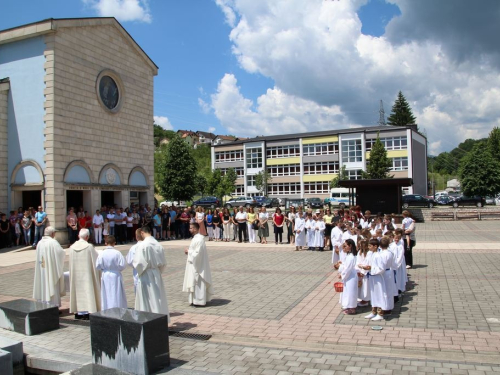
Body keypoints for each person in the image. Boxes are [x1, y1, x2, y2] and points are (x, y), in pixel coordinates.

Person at [133, 226, 170, 320]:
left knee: (147, 298)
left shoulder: (143, 245)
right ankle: (159, 319)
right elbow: (163, 263)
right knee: (158, 297)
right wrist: (157, 271)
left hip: (146, 273)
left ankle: (146, 319)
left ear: (142, 233)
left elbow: (139, 263)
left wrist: (139, 272)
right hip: (156, 273)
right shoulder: (158, 244)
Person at [69, 229, 101, 319]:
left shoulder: (72, 247)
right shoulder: (89, 247)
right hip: (87, 274)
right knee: (88, 290)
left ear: (79, 236)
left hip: (76, 275)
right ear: (87, 237)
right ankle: (87, 310)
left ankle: (78, 311)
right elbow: (96, 260)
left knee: (77, 291)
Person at [361, 237, 393, 321]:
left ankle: (380, 313)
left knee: (379, 294)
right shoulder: (372, 254)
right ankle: (373, 311)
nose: (369, 247)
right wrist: (366, 267)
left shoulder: (379, 256)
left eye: (370, 246)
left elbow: (381, 268)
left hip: (377, 277)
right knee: (373, 294)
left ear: (375, 246)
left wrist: (371, 269)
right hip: (372, 277)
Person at [33, 226, 66, 306]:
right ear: (52, 233)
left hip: (42, 269)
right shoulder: (53, 242)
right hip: (51, 270)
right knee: (51, 283)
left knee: (43, 284)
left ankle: (43, 304)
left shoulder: (40, 242)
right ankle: (53, 305)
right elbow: (60, 253)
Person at [183, 222, 213, 306]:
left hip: (198, 265)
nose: (190, 230)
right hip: (193, 263)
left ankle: (199, 300)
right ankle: (194, 300)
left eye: (191, 228)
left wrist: (188, 251)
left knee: (198, 281)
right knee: (193, 281)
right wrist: (189, 251)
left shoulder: (199, 239)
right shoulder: (195, 238)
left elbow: (198, 254)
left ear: (195, 229)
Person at [96, 235, 127, 310]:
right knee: (116, 292)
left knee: (106, 292)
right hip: (115, 274)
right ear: (114, 243)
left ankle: (107, 307)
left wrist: (104, 269)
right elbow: (122, 265)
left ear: (106, 243)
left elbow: (98, 265)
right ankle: (117, 307)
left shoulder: (102, 253)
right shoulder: (117, 253)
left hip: (106, 274)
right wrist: (116, 269)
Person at [336, 239, 358, 315]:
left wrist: (341, 275)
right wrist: (341, 265)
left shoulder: (351, 257)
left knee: (350, 292)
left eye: (345, 246)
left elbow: (348, 269)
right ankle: (348, 306)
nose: (344, 248)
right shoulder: (349, 255)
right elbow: (346, 266)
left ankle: (352, 308)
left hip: (351, 276)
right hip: (349, 276)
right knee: (347, 291)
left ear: (350, 246)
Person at [126, 228, 143, 293]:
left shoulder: (133, 247)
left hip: (137, 271)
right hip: (148, 272)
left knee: (138, 293)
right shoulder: (149, 246)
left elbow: (129, 261)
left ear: (136, 237)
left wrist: (134, 265)